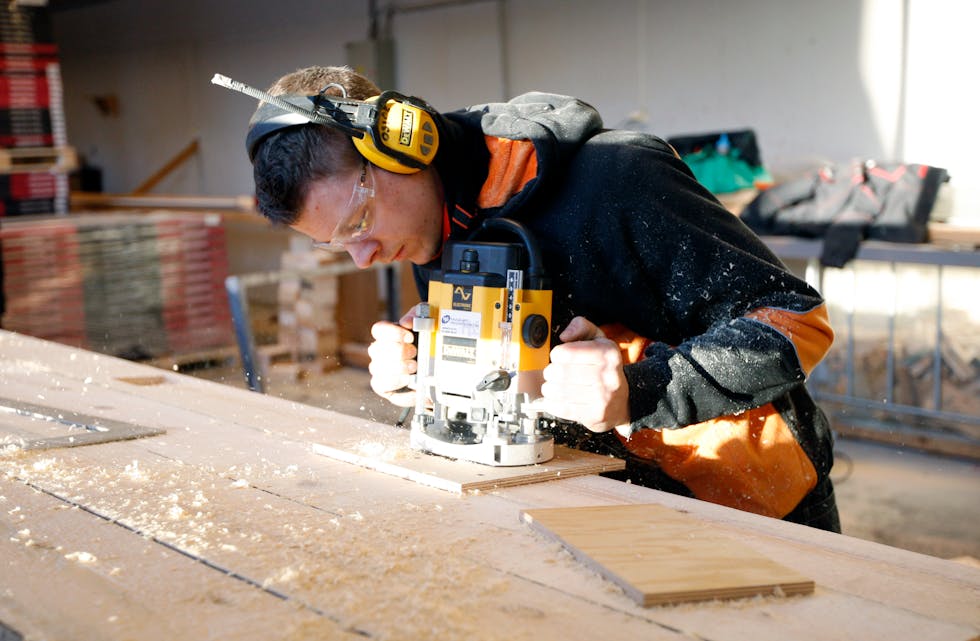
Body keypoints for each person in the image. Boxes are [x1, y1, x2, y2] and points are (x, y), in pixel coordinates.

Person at [246, 65, 841, 532]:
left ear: (403, 144)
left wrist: (644, 388)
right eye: (337, 245)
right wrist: (424, 375)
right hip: (587, 497)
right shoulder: (437, 227)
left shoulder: (617, 180)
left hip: (745, 502)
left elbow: (797, 319)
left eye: (358, 224)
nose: (363, 256)